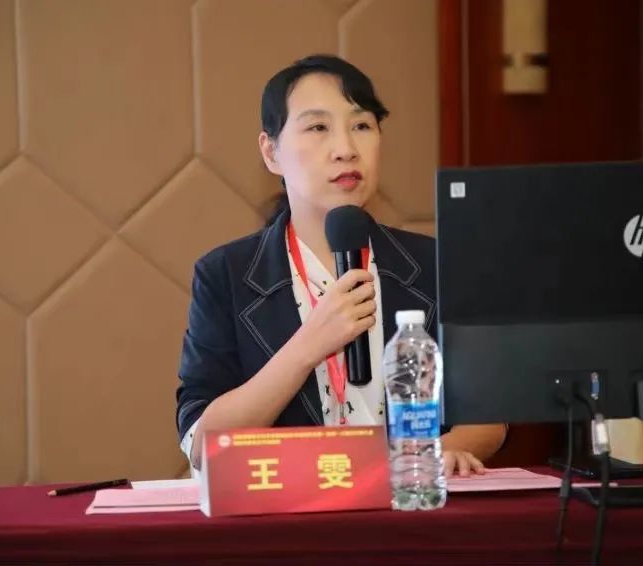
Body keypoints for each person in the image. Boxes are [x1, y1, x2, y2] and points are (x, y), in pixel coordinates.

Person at [176, 54, 506, 477]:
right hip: (288, 506)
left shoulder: (435, 264)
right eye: (318, 127)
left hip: (410, 500)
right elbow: (202, 444)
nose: (346, 150)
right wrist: (307, 346)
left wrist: (425, 457)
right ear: (271, 152)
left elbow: (488, 418)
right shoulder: (225, 274)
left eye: (362, 126)